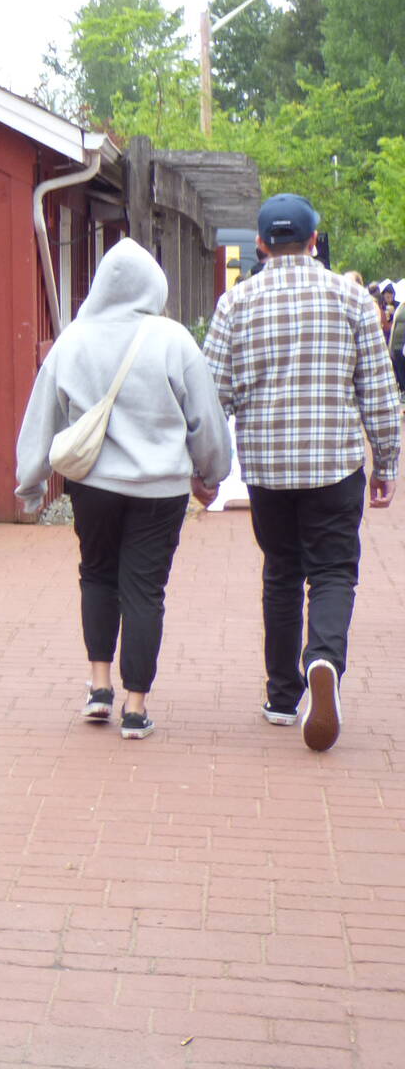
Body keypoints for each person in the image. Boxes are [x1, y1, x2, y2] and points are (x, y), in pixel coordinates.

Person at [201, 193, 400, 751]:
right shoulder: (352, 298)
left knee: (281, 574)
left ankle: (282, 695)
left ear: (261, 244)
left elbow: (211, 395)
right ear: (316, 241)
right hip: (335, 465)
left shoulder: (235, 304)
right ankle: (325, 664)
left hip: (267, 469)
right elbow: (379, 394)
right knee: (334, 571)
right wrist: (385, 461)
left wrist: (208, 471)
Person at [15, 238, 231, 741]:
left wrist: (29, 486)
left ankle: (98, 686)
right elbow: (205, 417)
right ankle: (136, 707)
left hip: (93, 485)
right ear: (155, 285)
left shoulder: (73, 339)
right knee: (145, 590)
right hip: (160, 489)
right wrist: (210, 472)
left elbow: (40, 416)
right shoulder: (173, 339)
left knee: (97, 576)